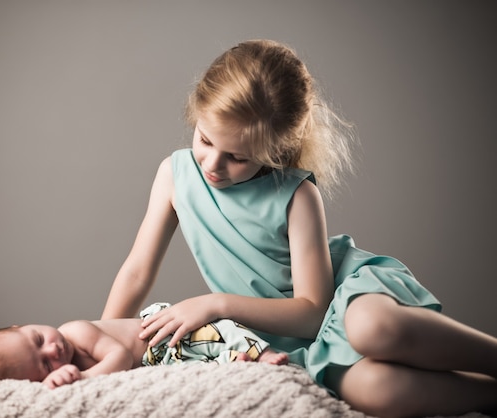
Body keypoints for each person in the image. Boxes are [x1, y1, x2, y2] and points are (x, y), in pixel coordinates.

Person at [101, 39, 497, 417]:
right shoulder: (175, 176)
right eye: (204, 140)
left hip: (340, 301)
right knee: (378, 392)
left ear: (275, 149)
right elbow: (137, 272)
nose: (212, 165)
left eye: (237, 157)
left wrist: (215, 303)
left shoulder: (296, 194)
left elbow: (312, 312)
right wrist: (96, 339)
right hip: (290, 344)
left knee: (371, 329)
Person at [0, 302, 288, 389]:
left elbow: (119, 355)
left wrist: (84, 379)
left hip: (161, 335)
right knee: (198, 371)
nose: (52, 352)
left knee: (221, 329)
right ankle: (235, 364)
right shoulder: (61, 366)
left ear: (22, 326)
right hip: (160, 363)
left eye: (39, 340)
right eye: (44, 367)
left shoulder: (74, 331)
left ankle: (265, 353)